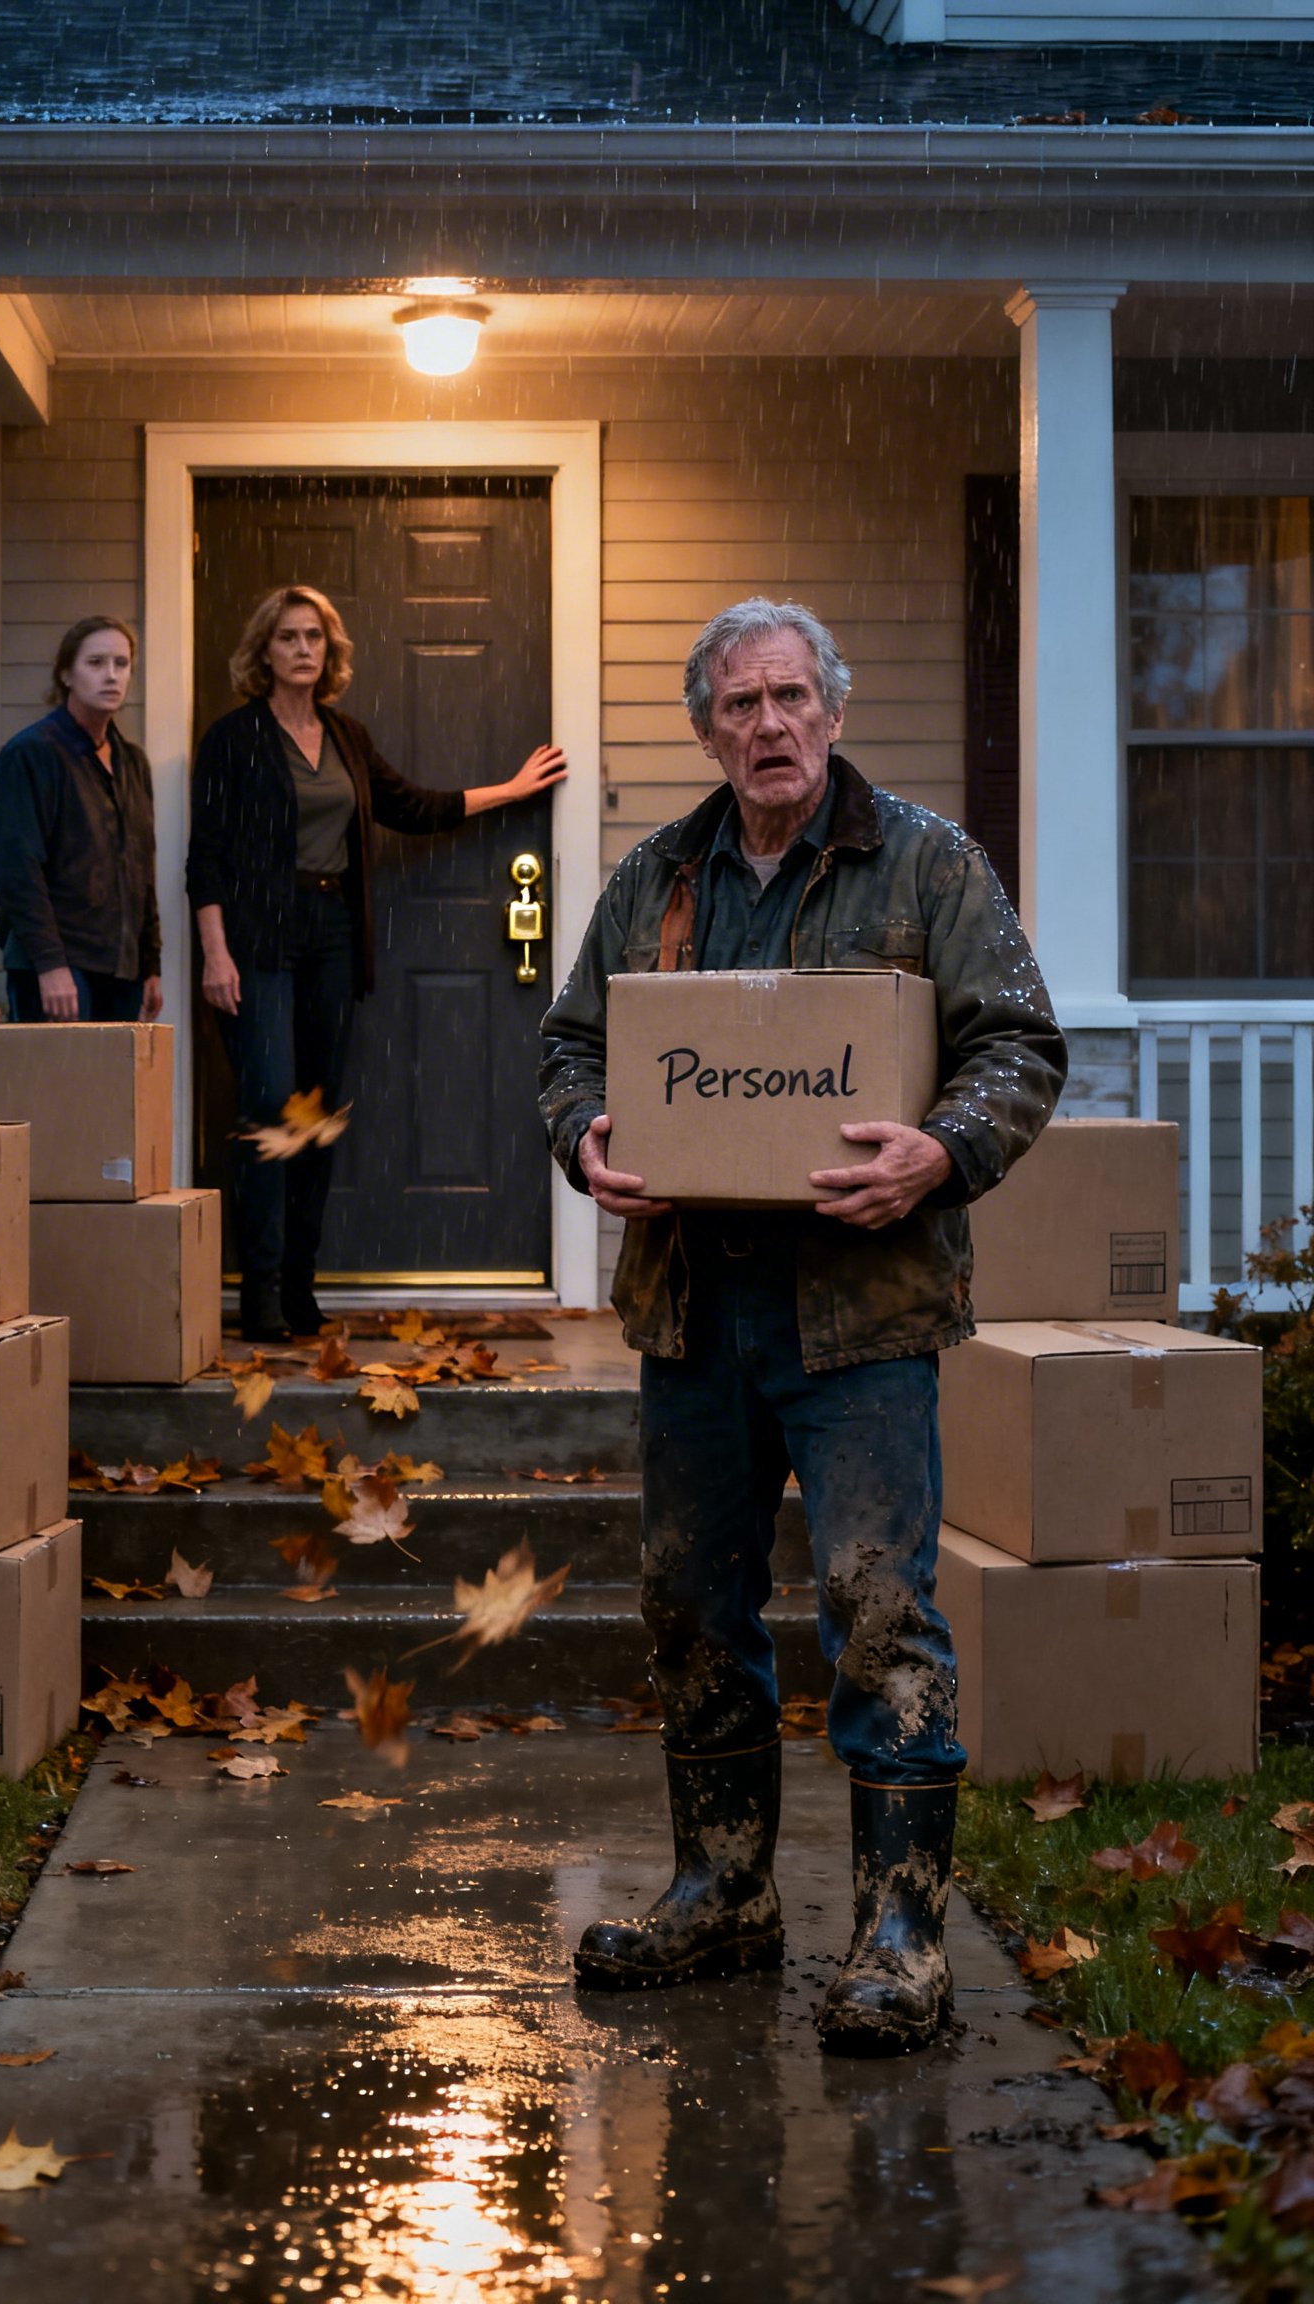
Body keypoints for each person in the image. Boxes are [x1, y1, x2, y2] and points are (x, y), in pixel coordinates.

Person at [538, 597, 1066, 2056]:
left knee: (876, 1607)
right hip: (695, 1308)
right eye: (740, 705)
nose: (767, 725)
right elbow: (573, 1048)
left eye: (789, 698)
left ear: (833, 711)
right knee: (692, 1604)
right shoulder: (656, 876)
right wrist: (587, 1135)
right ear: (707, 730)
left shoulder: (929, 863)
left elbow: (1020, 1042)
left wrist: (942, 1151)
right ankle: (722, 1892)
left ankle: (902, 1932)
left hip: (861, 1313)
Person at [188, 583, 566, 1343]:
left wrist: (511, 790)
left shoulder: (346, 737)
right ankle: (259, 1293)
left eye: (314, 637)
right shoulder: (233, 739)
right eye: (288, 637)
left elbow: (413, 806)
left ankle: (300, 1288)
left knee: (316, 1114)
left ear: (329, 651)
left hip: (333, 934)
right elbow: (207, 857)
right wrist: (215, 953)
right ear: (264, 651)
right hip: (258, 941)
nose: (303, 649)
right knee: (269, 1112)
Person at [0, 615, 163, 1023]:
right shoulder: (32, 754)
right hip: (57, 967)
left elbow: (141, 869)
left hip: (121, 968)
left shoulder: (132, 762)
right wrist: (50, 964)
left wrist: (150, 964)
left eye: (121, 663)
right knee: (58, 1068)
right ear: (66, 673)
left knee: (118, 1069)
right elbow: (17, 869)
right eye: (96, 662)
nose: (111, 675)